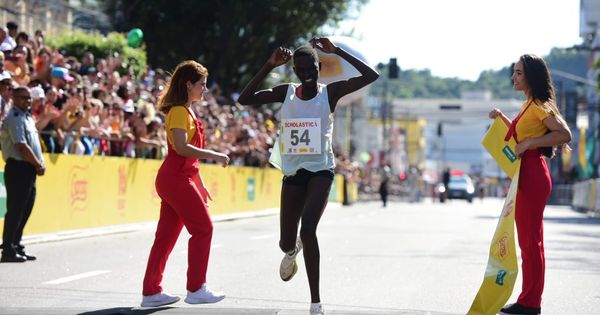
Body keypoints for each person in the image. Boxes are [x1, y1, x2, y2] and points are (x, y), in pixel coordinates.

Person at [238, 37, 379, 315]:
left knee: (309, 229)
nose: (306, 74)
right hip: (293, 174)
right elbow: (245, 99)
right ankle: (292, 251)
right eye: (300, 70)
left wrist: (336, 50)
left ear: (319, 67)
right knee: (285, 242)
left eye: (311, 69)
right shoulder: (286, 92)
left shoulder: (331, 93)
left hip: (321, 171)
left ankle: (316, 303)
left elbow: (370, 75)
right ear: (295, 72)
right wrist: (269, 65)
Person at [140, 60, 230, 307]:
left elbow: (188, 157)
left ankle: (151, 292)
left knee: (166, 237)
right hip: (175, 178)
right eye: (202, 84)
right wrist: (216, 155)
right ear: (188, 84)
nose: (205, 89)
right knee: (204, 229)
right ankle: (196, 288)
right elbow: (181, 148)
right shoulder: (179, 111)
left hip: (179, 178)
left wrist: (200, 185)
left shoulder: (187, 111)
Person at [489, 54, 571, 315]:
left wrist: (529, 144)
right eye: (514, 72)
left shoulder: (539, 105)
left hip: (534, 173)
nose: (514, 77)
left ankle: (530, 303)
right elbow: (518, 138)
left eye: (519, 73)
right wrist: (502, 118)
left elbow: (564, 134)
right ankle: (529, 299)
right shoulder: (528, 105)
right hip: (526, 172)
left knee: (530, 241)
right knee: (530, 241)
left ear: (532, 76)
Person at [0, 87, 45, 262]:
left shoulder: (27, 117)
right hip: (19, 167)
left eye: (28, 98)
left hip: (29, 169)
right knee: (16, 210)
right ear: (14, 98)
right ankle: (8, 249)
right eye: (22, 98)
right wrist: (37, 163)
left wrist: (37, 164)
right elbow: (21, 146)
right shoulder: (15, 118)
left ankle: (16, 244)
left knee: (25, 209)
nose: (27, 101)